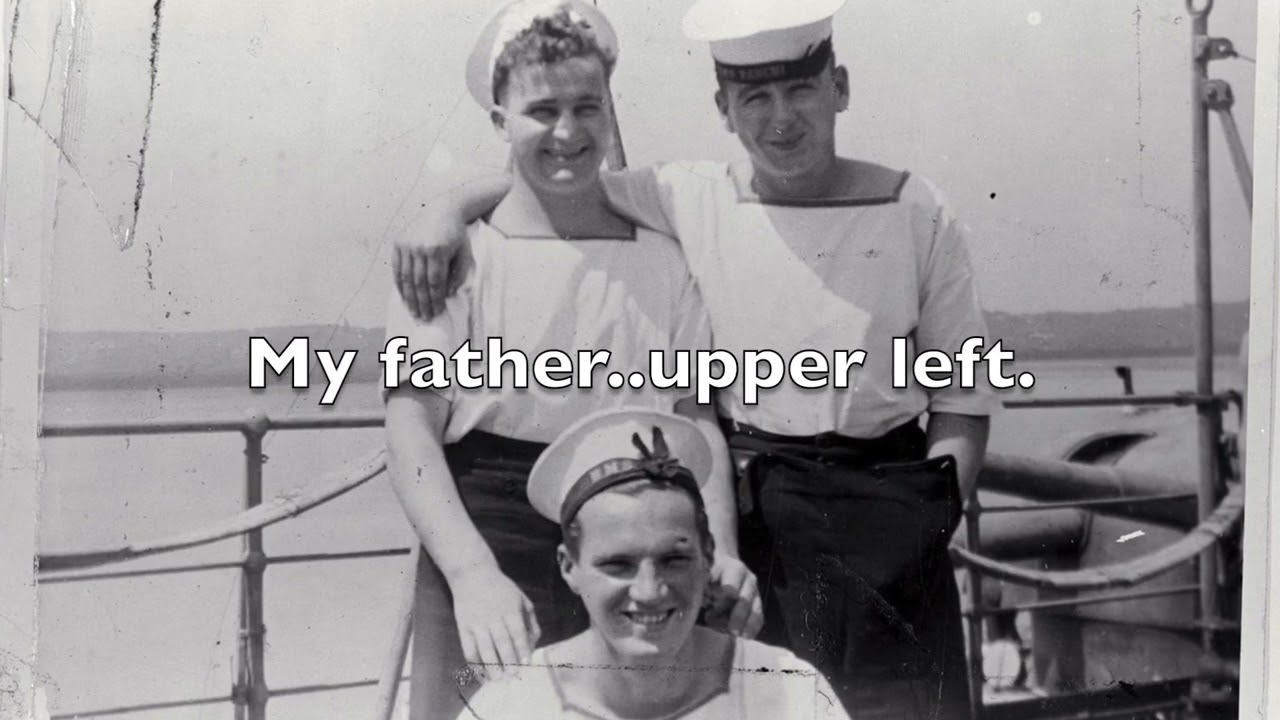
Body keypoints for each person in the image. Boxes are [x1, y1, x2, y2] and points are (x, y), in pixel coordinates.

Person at [395, 1, 1000, 716]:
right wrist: (441, 210)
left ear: (838, 87)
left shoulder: (907, 211)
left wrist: (920, 528)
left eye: (800, 89)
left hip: (847, 511)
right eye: (755, 97)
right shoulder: (662, 205)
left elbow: (962, 398)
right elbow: (558, 183)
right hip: (607, 523)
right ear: (724, 108)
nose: (781, 119)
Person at [383, 4, 761, 719]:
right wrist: (471, 575)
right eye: (542, 110)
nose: (567, 131)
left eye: (587, 107)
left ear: (609, 111)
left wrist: (720, 552)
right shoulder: (453, 262)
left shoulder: (664, 260)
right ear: (500, 121)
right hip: (487, 529)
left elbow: (696, 421)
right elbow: (410, 433)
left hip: (633, 531)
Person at [458, 408, 851, 720]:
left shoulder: (788, 692)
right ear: (568, 566)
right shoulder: (512, 705)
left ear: (708, 555)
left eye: (674, 559)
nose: (649, 591)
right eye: (618, 564)